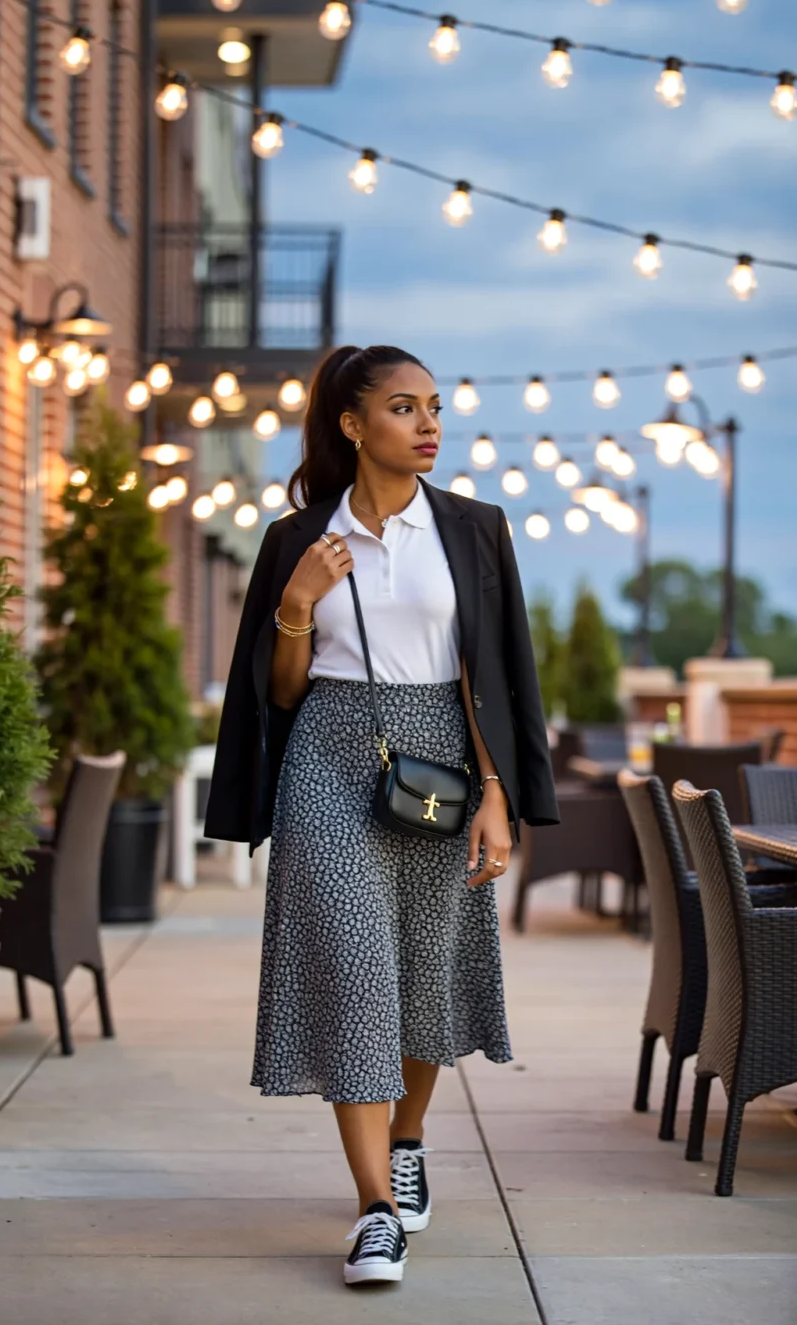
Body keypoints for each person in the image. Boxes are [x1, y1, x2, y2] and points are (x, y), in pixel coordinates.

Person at [205, 344, 559, 1286]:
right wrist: (297, 603)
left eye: (435, 407)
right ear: (353, 426)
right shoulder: (298, 541)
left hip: (443, 754)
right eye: (405, 408)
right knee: (355, 963)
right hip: (328, 752)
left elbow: (495, 678)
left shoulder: (476, 530)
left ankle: (408, 1137)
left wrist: (499, 797)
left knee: (425, 968)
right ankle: (375, 1208)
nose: (430, 424)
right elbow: (279, 693)